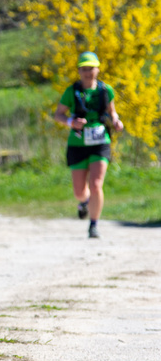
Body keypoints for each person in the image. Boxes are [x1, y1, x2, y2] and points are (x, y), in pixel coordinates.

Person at [54, 51, 124, 239]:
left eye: (91, 68)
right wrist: (71, 122)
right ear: (79, 71)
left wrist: (116, 122)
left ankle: (93, 225)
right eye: (84, 69)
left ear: (97, 69)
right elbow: (58, 114)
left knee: (96, 184)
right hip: (77, 143)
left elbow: (112, 112)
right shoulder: (72, 91)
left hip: (100, 142)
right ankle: (84, 202)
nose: (88, 72)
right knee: (79, 191)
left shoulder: (105, 90)